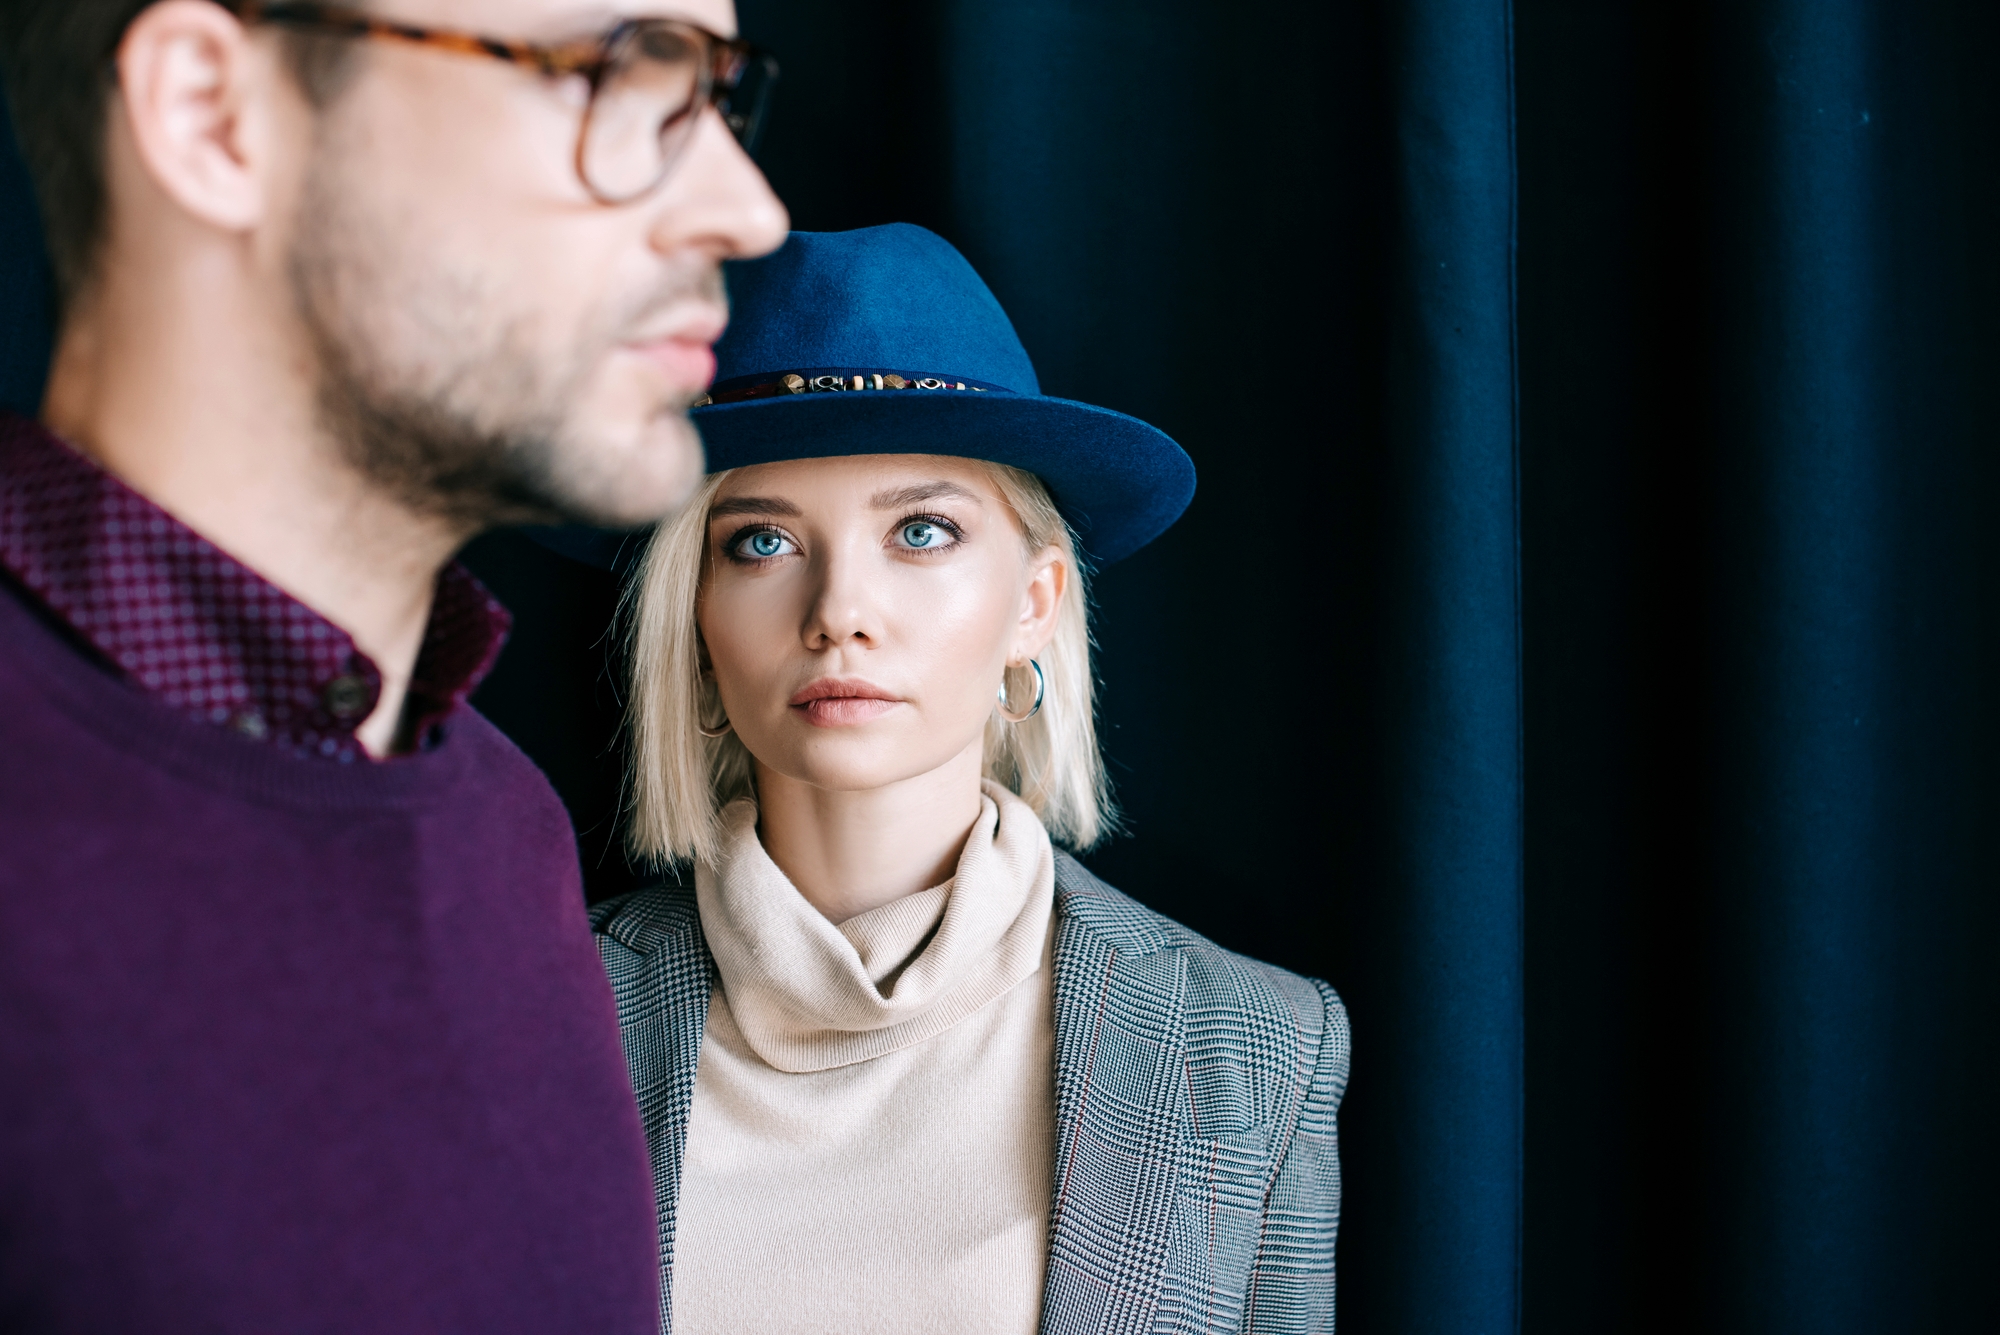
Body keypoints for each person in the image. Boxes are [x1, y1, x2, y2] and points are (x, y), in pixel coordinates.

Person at [0, 1, 785, 1330]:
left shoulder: (505, 832)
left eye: (711, 91)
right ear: (214, 116)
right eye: (612, 71)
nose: (746, 207)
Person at [597, 223, 1350, 1335]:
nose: (839, 611)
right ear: (692, 617)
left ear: (1033, 603)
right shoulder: (535, 1014)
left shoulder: (1246, 1048)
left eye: (921, 530)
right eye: (760, 542)